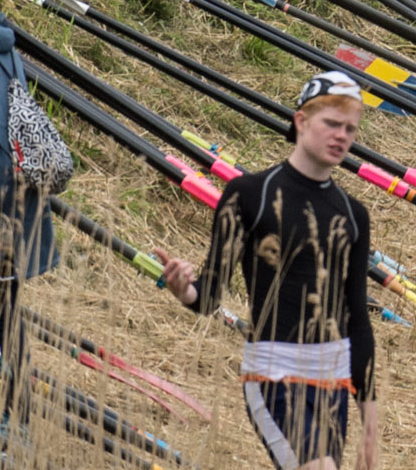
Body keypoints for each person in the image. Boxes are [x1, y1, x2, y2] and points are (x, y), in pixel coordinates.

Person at [157, 72, 381, 470]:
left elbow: (358, 321)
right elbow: (208, 296)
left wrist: (370, 432)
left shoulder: (354, 215)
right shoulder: (248, 194)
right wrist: (183, 289)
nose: (342, 136)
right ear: (300, 121)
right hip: (274, 373)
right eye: (331, 123)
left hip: (333, 379)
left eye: (350, 128)